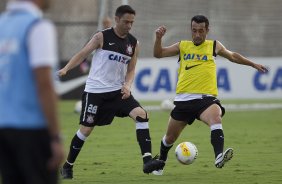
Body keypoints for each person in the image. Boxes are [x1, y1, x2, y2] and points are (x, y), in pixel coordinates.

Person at [152, 15, 268, 175]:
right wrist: (158, 38)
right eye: (194, 31)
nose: (197, 34)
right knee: (169, 139)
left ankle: (219, 156)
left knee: (215, 119)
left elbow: (233, 56)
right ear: (191, 30)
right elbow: (158, 54)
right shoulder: (182, 46)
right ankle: (161, 163)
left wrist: (252, 64)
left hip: (206, 99)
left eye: (201, 31)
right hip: (183, 100)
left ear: (207, 30)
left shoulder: (214, 45)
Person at [58, 5, 165, 179]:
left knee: (142, 115)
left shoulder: (134, 43)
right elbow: (83, 53)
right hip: (95, 93)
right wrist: (66, 69)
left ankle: (147, 161)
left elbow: (131, 69)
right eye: (126, 22)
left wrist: (128, 85)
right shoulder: (102, 36)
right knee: (85, 130)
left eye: (132, 22)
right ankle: (68, 166)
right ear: (116, 19)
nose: (129, 26)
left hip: (117, 92)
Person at [0, 0, 64, 183]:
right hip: (32, 130)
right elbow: (44, 83)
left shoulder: (2, 24)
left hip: (3, 128)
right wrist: (55, 136)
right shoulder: (38, 26)